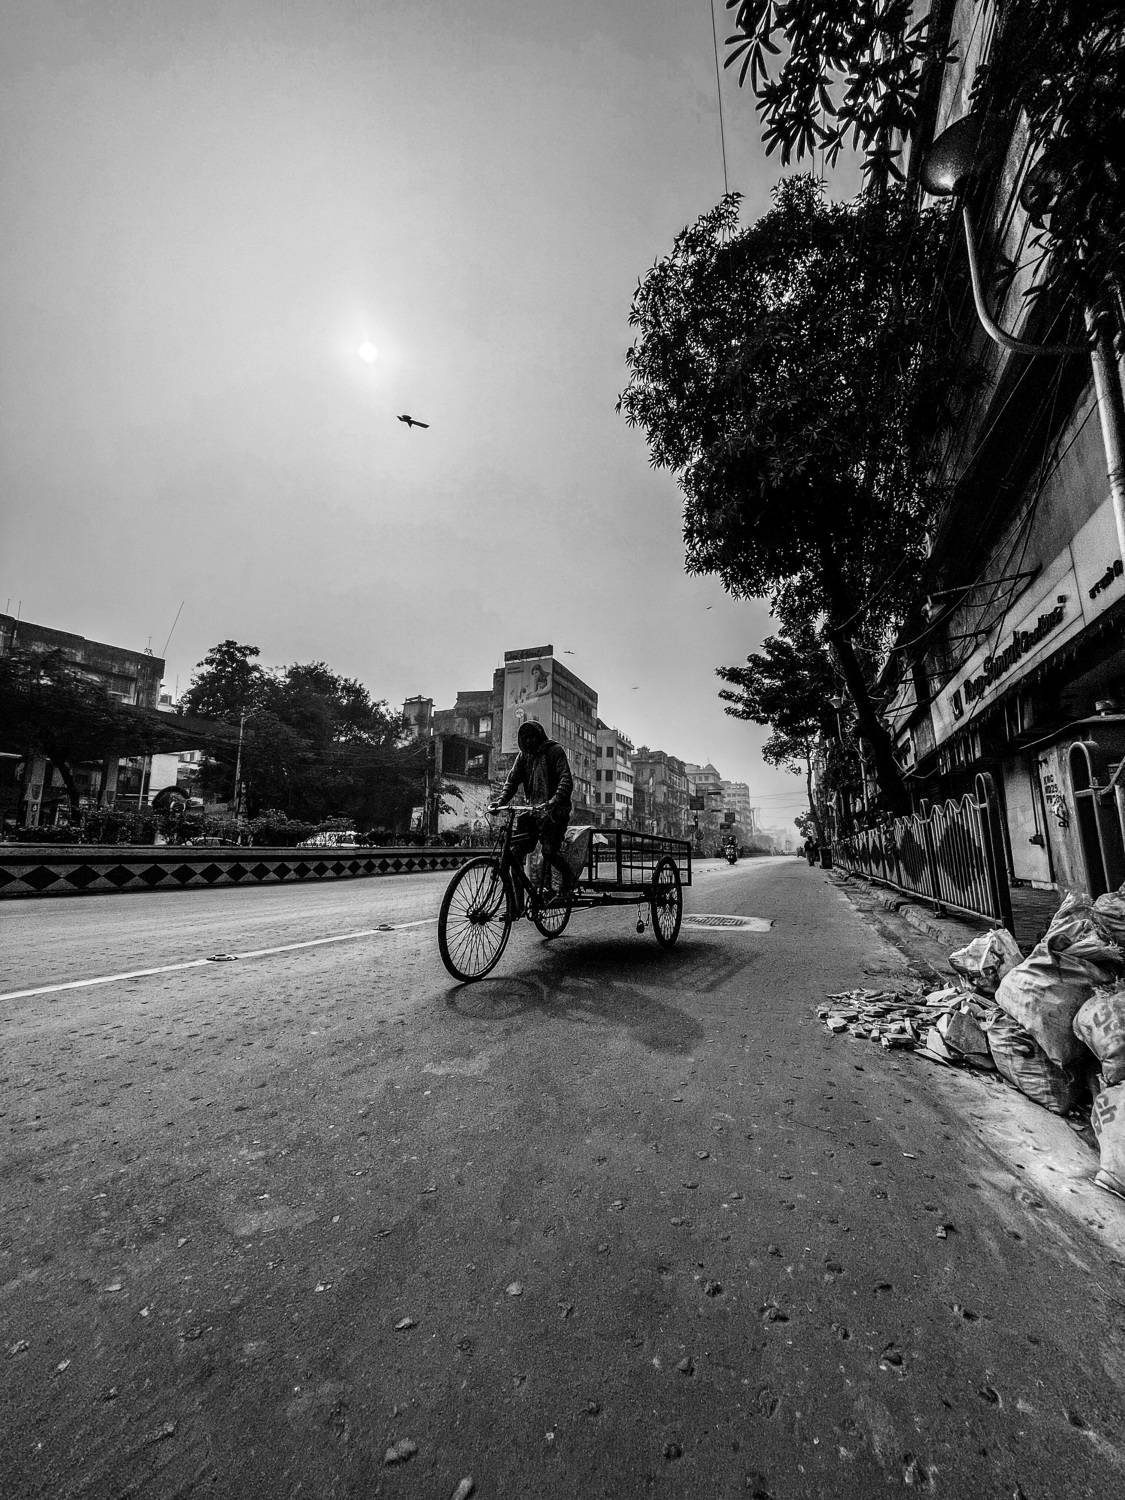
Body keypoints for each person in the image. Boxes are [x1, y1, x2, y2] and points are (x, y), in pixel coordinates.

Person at [490, 720, 576, 904]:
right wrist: (501, 801)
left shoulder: (555, 751)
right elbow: (512, 781)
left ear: (539, 736)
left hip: (555, 812)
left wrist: (554, 800)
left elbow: (566, 779)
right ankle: (517, 906)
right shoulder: (523, 757)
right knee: (515, 855)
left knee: (549, 852)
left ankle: (568, 878)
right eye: (525, 738)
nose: (529, 741)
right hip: (533, 810)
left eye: (532, 737)